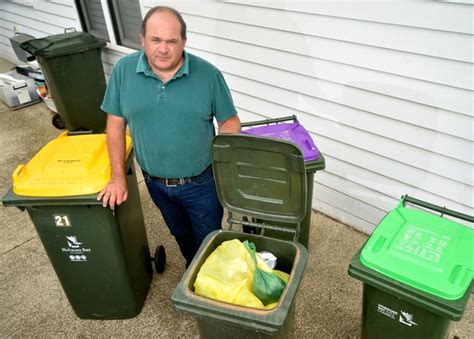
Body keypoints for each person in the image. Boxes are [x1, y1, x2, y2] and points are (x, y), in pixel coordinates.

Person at [98, 6, 241, 267]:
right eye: (155, 40)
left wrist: (225, 166)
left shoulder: (208, 75)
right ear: (142, 38)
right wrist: (117, 177)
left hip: (201, 184)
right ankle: (193, 268)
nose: (163, 49)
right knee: (180, 233)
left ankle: (211, 280)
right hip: (155, 183)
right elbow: (115, 125)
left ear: (183, 42)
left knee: (209, 237)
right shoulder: (123, 71)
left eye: (171, 41)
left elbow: (229, 122)